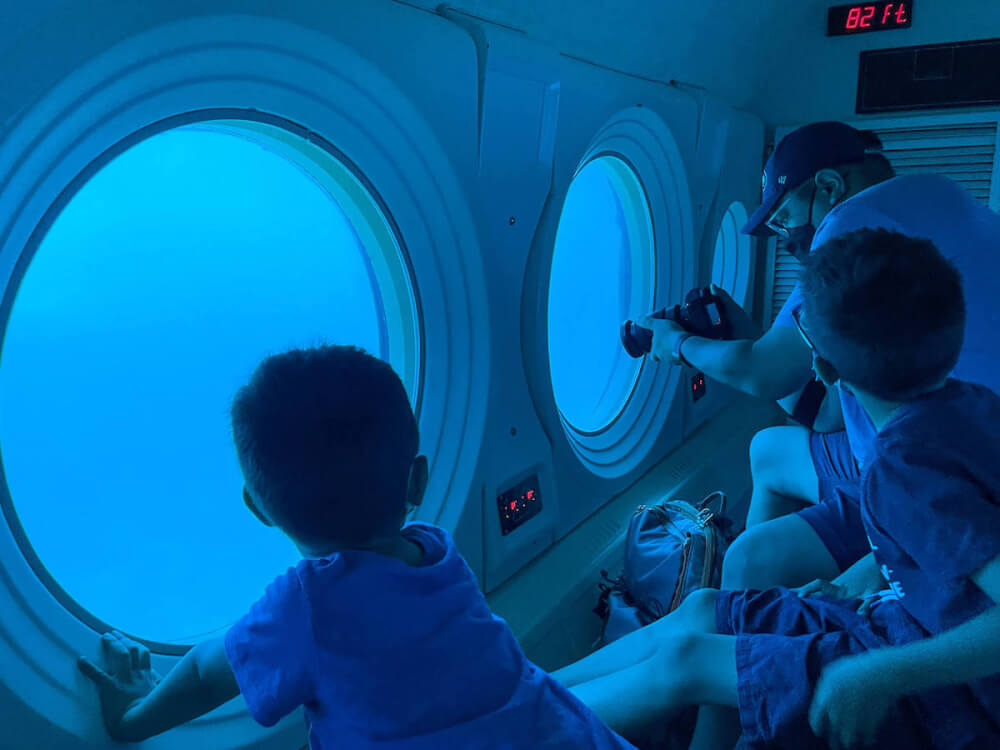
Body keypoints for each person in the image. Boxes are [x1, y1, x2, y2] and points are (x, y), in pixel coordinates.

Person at [554, 228, 1000, 750]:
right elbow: (943, 542)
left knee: (689, 662)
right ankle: (524, 690)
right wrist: (861, 578)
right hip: (906, 625)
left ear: (823, 367)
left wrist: (880, 675)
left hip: (952, 692)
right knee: (704, 610)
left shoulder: (902, 467)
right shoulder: (973, 405)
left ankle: (506, 726)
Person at [76, 346, 636, 748]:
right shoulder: (439, 555)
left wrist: (130, 718)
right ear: (416, 483)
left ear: (257, 509)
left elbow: (203, 673)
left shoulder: (309, 604)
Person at [639, 121, 1000, 594]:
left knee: (750, 558)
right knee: (768, 450)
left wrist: (677, 345)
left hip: (932, 466)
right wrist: (749, 337)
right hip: (978, 442)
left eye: (785, 217)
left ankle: (746, 617)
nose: (788, 238)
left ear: (829, 186)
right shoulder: (938, 197)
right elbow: (829, 412)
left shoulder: (853, 222)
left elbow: (762, 373)